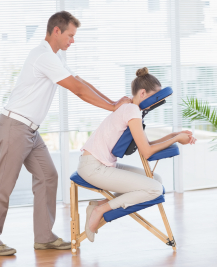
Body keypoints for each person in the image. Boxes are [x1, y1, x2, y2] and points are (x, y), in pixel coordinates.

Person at [0, 11, 131, 256]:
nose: (73, 41)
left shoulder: (54, 57)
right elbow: (78, 90)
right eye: (70, 35)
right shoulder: (43, 56)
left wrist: (113, 102)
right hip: (15, 128)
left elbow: (79, 80)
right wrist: (113, 107)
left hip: (30, 131)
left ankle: (44, 237)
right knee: (3, 186)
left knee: (48, 176)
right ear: (57, 31)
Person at [77, 67, 197, 242]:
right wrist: (177, 138)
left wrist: (175, 135)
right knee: (155, 189)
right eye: (154, 99)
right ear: (142, 93)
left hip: (97, 164)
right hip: (93, 168)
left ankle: (101, 204)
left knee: (156, 180)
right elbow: (147, 152)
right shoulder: (132, 111)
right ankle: (100, 210)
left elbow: (146, 144)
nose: (156, 104)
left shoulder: (130, 109)